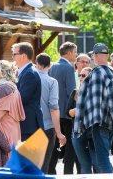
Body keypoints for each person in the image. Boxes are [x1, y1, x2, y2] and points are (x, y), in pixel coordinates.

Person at [74, 43, 113, 173]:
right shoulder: (111, 73)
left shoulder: (96, 74)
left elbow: (92, 102)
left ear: (95, 55)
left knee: (102, 160)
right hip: (110, 122)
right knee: (101, 158)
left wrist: (82, 125)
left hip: (98, 124)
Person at [48, 41, 79, 175]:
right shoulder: (68, 68)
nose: (76, 54)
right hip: (66, 114)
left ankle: (51, 171)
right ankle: (68, 173)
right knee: (70, 148)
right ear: (69, 52)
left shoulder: (52, 66)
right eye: (75, 52)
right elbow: (71, 92)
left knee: (54, 146)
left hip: (53, 113)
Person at [35, 53, 66, 174]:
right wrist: (59, 133)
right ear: (50, 65)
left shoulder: (29, 79)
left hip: (31, 127)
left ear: (37, 64)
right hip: (47, 127)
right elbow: (53, 108)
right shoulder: (52, 82)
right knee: (44, 163)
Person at [0, 60, 25, 148]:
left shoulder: (3, 89)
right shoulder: (12, 87)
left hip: (4, 132)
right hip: (12, 130)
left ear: (3, 73)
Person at [12, 42, 43, 141]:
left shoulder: (30, 73)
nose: (13, 57)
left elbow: (21, 99)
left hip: (29, 126)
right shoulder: (24, 72)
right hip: (26, 125)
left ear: (23, 56)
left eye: (14, 54)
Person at [68, 67, 94, 174]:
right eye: (80, 75)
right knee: (84, 164)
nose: (81, 77)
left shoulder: (95, 92)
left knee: (97, 162)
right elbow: (67, 112)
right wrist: (74, 111)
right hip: (77, 131)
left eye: (84, 75)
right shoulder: (75, 92)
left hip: (92, 131)